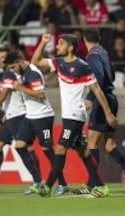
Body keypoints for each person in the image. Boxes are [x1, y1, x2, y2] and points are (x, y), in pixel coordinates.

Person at [30, 33, 117, 198]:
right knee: (83, 152)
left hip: (76, 115)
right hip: (68, 116)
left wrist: (108, 113)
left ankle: (47, 186)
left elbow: (97, 91)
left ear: (70, 47)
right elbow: (35, 62)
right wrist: (42, 42)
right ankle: (102, 187)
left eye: (61, 44)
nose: (57, 47)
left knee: (61, 147)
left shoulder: (83, 66)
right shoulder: (59, 62)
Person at [72, 28, 125, 195]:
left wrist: (90, 97)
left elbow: (99, 79)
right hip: (111, 97)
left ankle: (92, 183)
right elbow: (111, 74)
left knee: (92, 142)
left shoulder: (92, 55)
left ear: (83, 40)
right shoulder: (103, 52)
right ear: (99, 38)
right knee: (109, 145)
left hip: (101, 100)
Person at [4, 50, 69, 196]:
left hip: (43, 116)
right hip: (30, 116)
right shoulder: (24, 72)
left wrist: (20, 88)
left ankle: (63, 183)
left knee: (47, 150)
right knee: (19, 145)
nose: (13, 70)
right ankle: (38, 181)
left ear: (20, 61)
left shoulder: (32, 73)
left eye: (13, 67)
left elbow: (40, 94)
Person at [0, 47, 41, 194]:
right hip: (10, 116)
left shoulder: (10, 73)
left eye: (3, 57)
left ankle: (38, 180)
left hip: (19, 115)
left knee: (26, 147)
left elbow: (3, 95)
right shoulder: (7, 73)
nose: (0, 60)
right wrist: (6, 111)